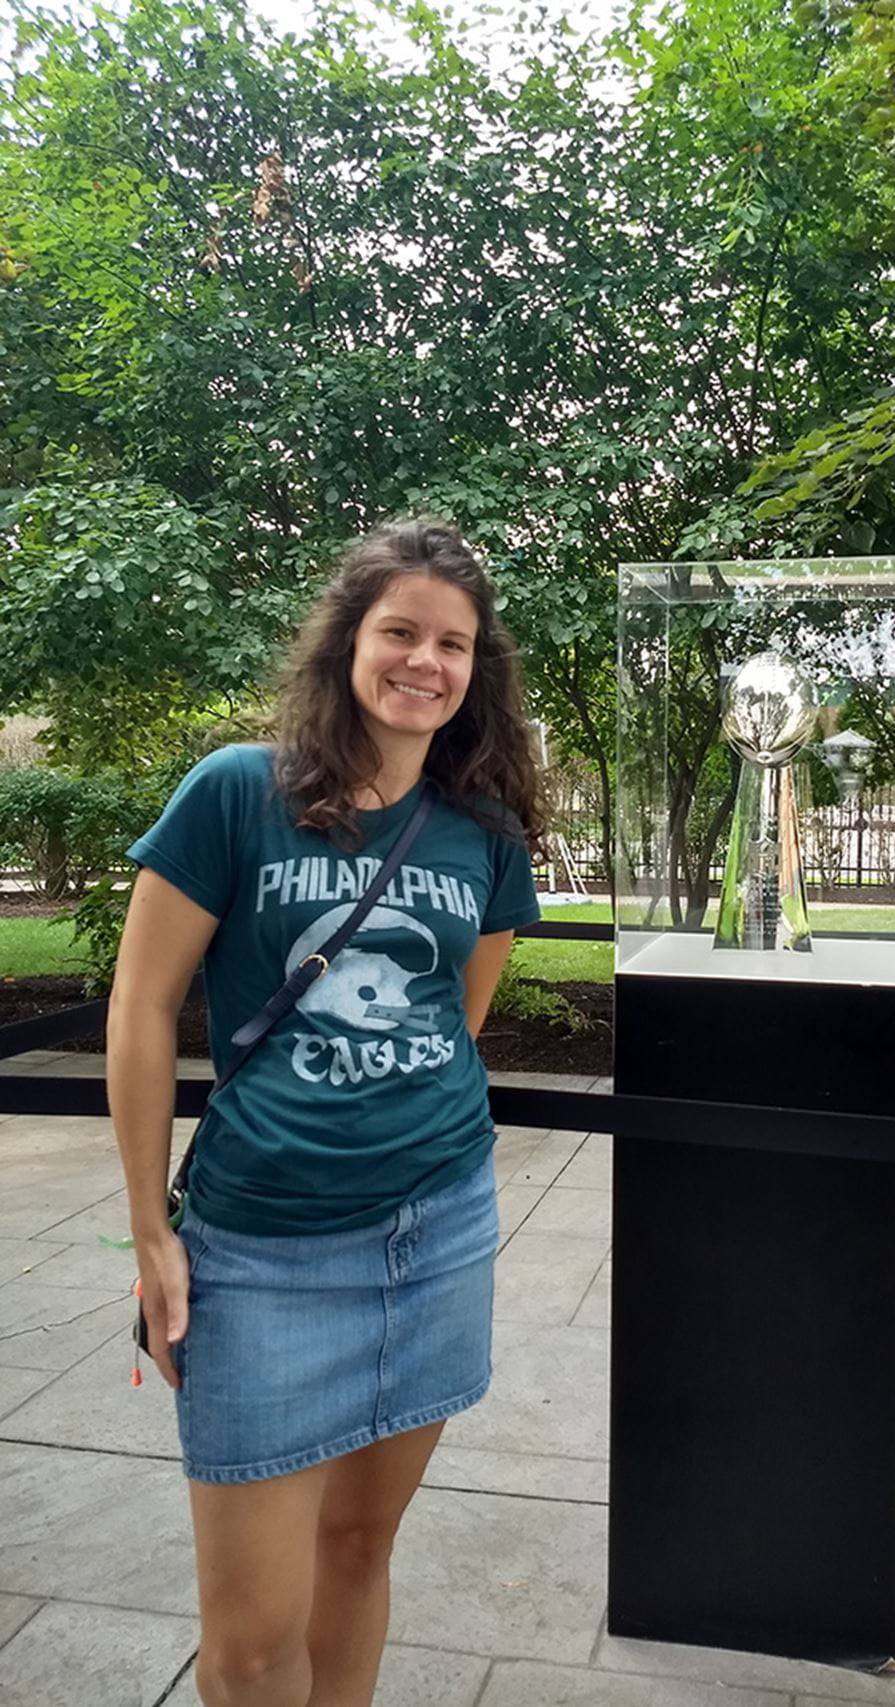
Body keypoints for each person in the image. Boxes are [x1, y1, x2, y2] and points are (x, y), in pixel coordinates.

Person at [106, 518, 543, 1707]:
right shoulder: (235, 794)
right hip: (260, 1250)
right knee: (249, 1642)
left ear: (474, 670)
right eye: (399, 631)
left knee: (360, 1548)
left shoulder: (484, 834)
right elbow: (142, 1010)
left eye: (453, 644)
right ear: (348, 642)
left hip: (438, 1229)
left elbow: (457, 1020)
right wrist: (150, 1231)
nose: (425, 662)